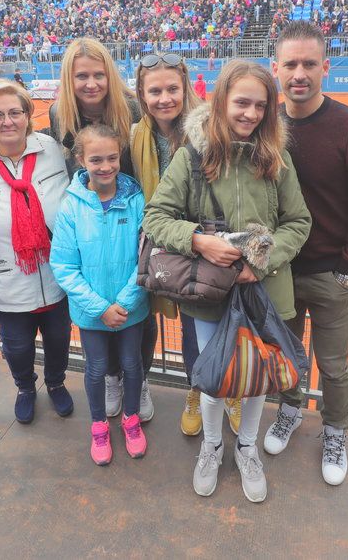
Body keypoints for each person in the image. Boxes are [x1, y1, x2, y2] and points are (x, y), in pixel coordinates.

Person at [143, 59, 311, 504]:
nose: (251, 114)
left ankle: (247, 447)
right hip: (210, 294)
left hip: (265, 290)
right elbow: (156, 218)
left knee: (259, 377)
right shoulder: (192, 156)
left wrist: (264, 260)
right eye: (241, 103)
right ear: (221, 102)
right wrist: (198, 241)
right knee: (216, 377)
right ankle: (213, 446)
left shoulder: (277, 158)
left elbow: (298, 221)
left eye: (260, 105)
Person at [267, 20, 348, 486]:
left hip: (331, 275)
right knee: (287, 354)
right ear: (275, 68)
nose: (300, 73)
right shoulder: (264, 123)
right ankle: (290, 410)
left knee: (334, 367)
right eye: (291, 64)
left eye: (309, 64)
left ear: (326, 67)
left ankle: (335, 432)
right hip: (279, 271)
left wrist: (346, 266)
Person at [0, 79, 74, 425]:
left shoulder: (50, 149)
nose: (8, 121)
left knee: (59, 340)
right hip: (4, 281)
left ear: (27, 115)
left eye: (15, 112)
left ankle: (56, 382)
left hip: (55, 275)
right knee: (17, 348)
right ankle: (25, 387)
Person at [128, 52, 226, 437]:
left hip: (204, 247)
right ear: (142, 94)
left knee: (203, 328)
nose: (164, 98)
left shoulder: (210, 129)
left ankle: (215, 392)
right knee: (159, 325)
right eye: (155, 91)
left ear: (186, 87)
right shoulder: (136, 135)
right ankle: (189, 389)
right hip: (158, 245)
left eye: (172, 88)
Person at [50, 124, 150, 466]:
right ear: (80, 160)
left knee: (131, 364)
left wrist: (124, 302)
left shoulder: (136, 200)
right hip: (91, 314)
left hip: (131, 308)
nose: (105, 166)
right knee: (95, 369)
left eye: (112, 157)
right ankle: (98, 427)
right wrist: (99, 307)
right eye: (96, 159)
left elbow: (146, 257)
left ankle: (131, 420)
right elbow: (63, 265)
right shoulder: (70, 207)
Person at [48, 37, 141, 177]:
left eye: (99, 75)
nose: (91, 85)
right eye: (82, 76)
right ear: (69, 79)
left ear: (109, 76)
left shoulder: (134, 110)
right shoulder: (58, 113)